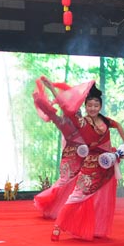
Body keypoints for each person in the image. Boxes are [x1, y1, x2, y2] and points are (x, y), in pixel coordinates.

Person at [52, 84, 124, 241]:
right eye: (90, 105)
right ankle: (58, 226)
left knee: (103, 198)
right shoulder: (82, 122)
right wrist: (52, 90)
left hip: (107, 163)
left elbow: (119, 125)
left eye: (96, 105)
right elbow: (67, 108)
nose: (93, 108)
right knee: (77, 196)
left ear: (100, 106)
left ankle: (98, 228)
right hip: (91, 165)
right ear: (85, 106)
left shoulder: (106, 121)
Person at [32, 78, 86, 219]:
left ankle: (71, 208)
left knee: (73, 181)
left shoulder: (80, 121)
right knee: (66, 181)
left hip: (79, 154)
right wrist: (51, 90)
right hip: (71, 155)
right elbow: (62, 109)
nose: (77, 111)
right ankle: (57, 206)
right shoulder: (65, 121)